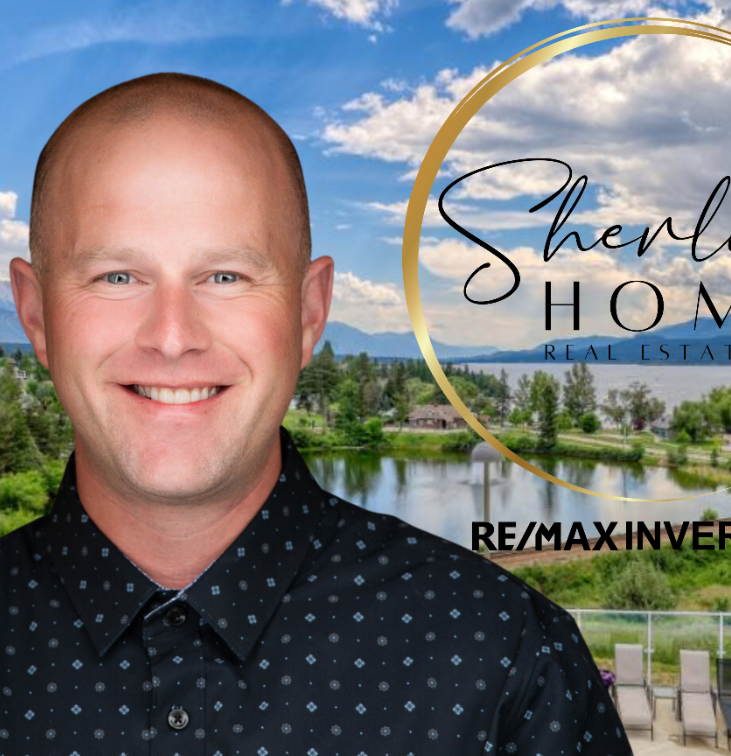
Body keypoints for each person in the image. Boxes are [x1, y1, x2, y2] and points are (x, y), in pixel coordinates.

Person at [1, 72, 631, 755]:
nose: (173, 335)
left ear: (309, 312)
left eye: (225, 277)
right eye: (117, 277)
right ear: (35, 314)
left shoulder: (508, 654)